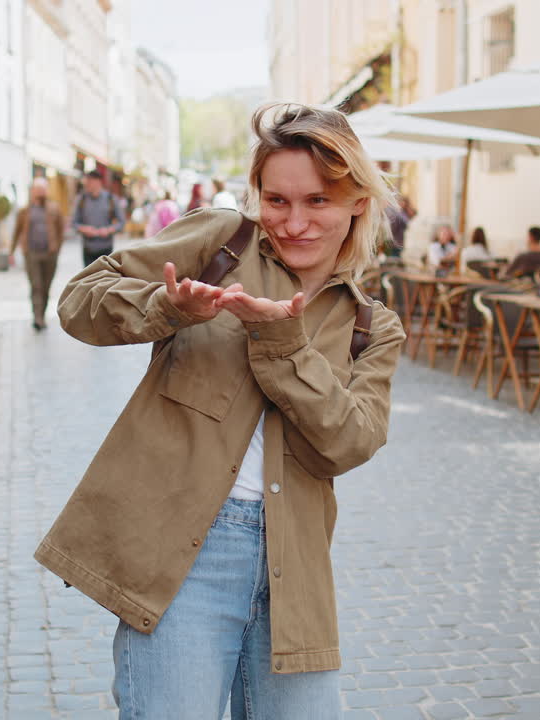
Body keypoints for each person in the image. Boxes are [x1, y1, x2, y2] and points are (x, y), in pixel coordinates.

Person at [36, 102, 406, 719]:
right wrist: (167, 307)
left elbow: (351, 441)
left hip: (298, 569)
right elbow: (79, 301)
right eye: (277, 200)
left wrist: (284, 345)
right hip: (185, 556)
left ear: (358, 202)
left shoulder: (373, 327)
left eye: (318, 201)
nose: (294, 223)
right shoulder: (222, 242)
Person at [14, 177, 65, 330]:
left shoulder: (54, 209)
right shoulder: (25, 210)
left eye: (43, 189)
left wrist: (57, 249)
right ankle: (37, 317)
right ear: (33, 191)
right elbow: (17, 231)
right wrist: (12, 250)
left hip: (50, 254)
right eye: (38, 189)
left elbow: (60, 230)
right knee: (36, 285)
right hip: (31, 253)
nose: (40, 192)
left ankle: (41, 314)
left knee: (46, 286)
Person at [72, 170, 126, 267]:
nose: (87, 184)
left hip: (106, 250)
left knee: (106, 279)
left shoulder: (111, 199)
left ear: (98, 182)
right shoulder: (82, 199)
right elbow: (74, 223)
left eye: (89, 182)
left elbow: (121, 222)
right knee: (89, 280)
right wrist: (85, 229)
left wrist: (108, 230)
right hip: (88, 249)